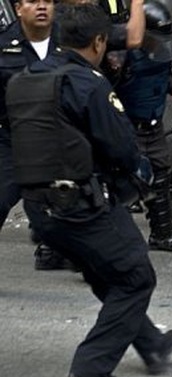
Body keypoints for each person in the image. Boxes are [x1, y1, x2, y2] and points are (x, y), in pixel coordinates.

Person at [6, 4, 172, 377]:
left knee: (108, 273)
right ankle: (89, 372)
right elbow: (119, 146)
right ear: (100, 42)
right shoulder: (88, 83)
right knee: (136, 277)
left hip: (39, 208)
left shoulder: (23, 80)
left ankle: (151, 342)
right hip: (81, 207)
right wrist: (141, 175)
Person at [114, 0, 172, 252]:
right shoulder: (121, 55)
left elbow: (163, 72)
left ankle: (162, 234)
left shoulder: (161, 50)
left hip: (153, 123)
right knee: (124, 185)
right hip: (128, 127)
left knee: (160, 177)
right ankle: (114, 241)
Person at [0, 0, 70, 270]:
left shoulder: (70, 40)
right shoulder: (5, 45)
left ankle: (58, 249)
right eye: (33, 1)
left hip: (60, 139)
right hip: (13, 139)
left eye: (48, 1)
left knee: (69, 199)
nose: (42, 7)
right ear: (18, 8)